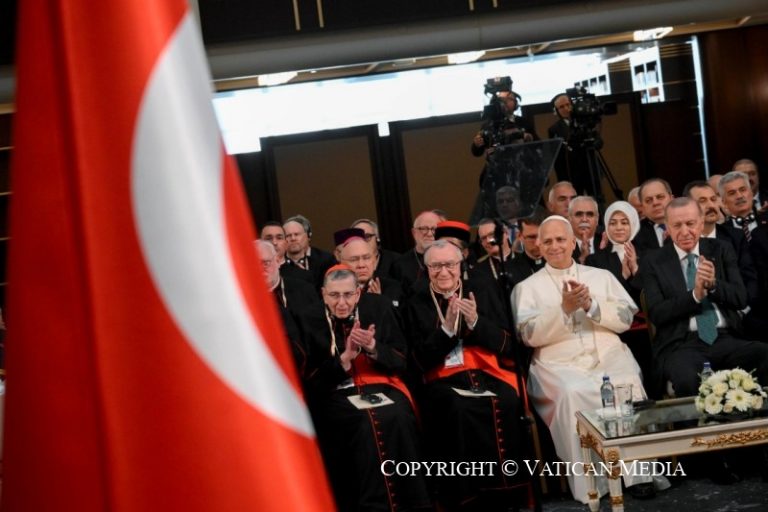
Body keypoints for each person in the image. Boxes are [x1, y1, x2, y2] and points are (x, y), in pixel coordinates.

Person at [512, 215, 660, 503]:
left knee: (626, 381)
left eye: (561, 239)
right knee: (573, 391)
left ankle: (638, 475)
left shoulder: (601, 277)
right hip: (556, 362)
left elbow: (625, 319)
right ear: (539, 246)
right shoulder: (526, 288)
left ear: (573, 243)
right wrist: (564, 310)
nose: (555, 246)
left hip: (607, 351)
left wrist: (591, 305)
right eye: (547, 241)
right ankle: (594, 483)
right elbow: (528, 336)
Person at [406, 240, 528, 510]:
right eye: (436, 266)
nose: (443, 272)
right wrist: (447, 330)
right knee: (458, 407)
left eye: (449, 264)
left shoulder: (482, 289)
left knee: (507, 399)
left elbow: (509, 344)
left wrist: (475, 321)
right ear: (426, 269)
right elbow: (415, 361)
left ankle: (508, 492)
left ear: (460, 265)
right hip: (442, 378)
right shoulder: (415, 301)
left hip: (487, 370)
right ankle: (467, 496)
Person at [302, 265, 431, 512]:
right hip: (335, 391)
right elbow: (311, 381)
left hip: (382, 382)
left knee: (398, 415)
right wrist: (344, 359)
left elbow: (400, 361)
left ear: (358, 293)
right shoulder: (308, 317)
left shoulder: (379, 307)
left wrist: (373, 347)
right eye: (334, 295)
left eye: (348, 295)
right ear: (323, 294)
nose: (341, 303)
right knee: (361, 421)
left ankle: (411, 502)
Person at [642, 197, 768, 399]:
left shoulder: (721, 249)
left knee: (764, 354)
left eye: (690, 223)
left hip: (725, 337)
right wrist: (695, 296)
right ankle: (692, 423)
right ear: (668, 227)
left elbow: (740, 298)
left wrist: (713, 285)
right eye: (677, 225)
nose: (685, 231)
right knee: (686, 378)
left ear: (701, 223)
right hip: (682, 344)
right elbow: (657, 313)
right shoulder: (653, 261)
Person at [256, 240, 322, 373]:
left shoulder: (304, 290)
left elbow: (317, 336)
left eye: (266, 263)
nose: (260, 269)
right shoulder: (240, 298)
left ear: (277, 261)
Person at [547, 92, 604, 197]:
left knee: (597, 198)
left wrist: (595, 142)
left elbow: (598, 142)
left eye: (568, 104)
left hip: (590, 169)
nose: (566, 108)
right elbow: (558, 159)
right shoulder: (554, 129)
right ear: (556, 111)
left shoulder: (585, 121)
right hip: (571, 173)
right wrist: (563, 180)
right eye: (561, 107)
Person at [585, 201, 641, 300]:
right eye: (613, 223)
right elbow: (598, 297)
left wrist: (635, 270)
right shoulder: (594, 261)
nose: (619, 228)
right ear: (607, 227)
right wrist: (623, 277)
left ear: (633, 224)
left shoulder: (648, 254)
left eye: (624, 222)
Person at [338, 236, 404, 310]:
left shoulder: (394, 288)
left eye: (366, 258)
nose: (361, 265)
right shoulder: (335, 292)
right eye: (354, 260)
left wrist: (380, 303)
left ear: (374, 262)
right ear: (342, 265)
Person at [391, 210, 443, 295]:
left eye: (434, 229)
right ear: (414, 233)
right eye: (424, 229)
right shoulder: (400, 265)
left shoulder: (451, 258)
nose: (429, 234)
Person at [283, 214, 336, 288]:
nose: (293, 238)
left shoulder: (326, 260)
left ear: (308, 236)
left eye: (297, 234)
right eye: (288, 236)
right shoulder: (277, 262)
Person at [633, 178, 674, 255]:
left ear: (671, 199)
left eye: (660, 197)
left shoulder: (690, 223)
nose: (655, 203)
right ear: (642, 207)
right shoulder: (635, 234)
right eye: (648, 200)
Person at [568, 195, 603, 263]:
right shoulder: (561, 246)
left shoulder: (608, 244)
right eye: (579, 214)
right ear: (569, 219)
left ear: (597, 219)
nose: (584, 219)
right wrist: (582, 258)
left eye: (590, 214)